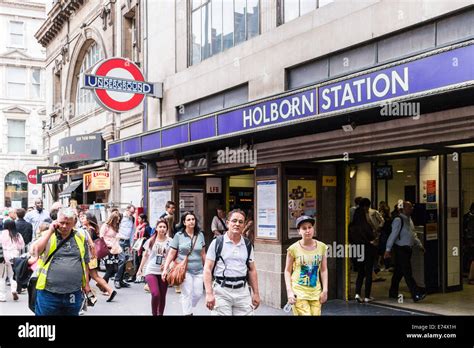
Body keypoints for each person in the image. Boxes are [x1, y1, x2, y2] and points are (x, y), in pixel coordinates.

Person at [31, 208, 89, 315]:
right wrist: (49, 231)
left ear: (74, 223)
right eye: (62, 222)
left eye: (68, 223)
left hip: (73, 293)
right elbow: (36, 252)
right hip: (48, 293)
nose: (64, 226)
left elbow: (85, 262)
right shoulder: (48, 235)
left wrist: (86, 285)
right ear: (56, 221)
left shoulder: (80, 237)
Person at [204, 209, 260, 315]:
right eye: (234, 221)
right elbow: (207, 269)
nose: (237, 224)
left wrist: (256, 293)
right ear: (228, 223)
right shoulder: (217, 243)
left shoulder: (248, 245)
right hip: (221, 291)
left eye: (240, 222)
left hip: (242, 292)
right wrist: (209, 293)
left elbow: (252, 270)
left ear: (244, 225)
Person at [162, 211, 206, 315]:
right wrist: (165, 269)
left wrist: (207, 268)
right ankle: (187, 312)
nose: (191, 221)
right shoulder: (179, 235)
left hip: (199, 270)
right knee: (187, 293)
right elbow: (172, 253)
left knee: (198, 293)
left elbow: (203, 253)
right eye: (189, 220)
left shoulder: (200, 235)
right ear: (184, 222)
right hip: (184, 270)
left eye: (193, 219)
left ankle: (187, 304)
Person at [284, 216, 328, 316]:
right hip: (299, 292)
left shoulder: (322, 247)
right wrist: (289, 291)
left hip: (315, 292)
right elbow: (287, 271)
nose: (307, 230)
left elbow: (324, 270)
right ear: (299, 231)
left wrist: (325, 290)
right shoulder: (293, 249)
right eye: (304, 228)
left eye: (310, 227)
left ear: (313, 229)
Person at [384, 201, 426, 302]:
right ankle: (416, 294)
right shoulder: (398, 220)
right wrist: (387, 250)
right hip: (401, 249)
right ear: (403, 209)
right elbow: (393, 235)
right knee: (407, 272)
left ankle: (393, 292)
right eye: (409, 207)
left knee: (398, 272)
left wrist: (419, 244)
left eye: (412, 207)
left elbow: (413, 234)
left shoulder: (409, 219)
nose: (412, 209)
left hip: (408, 250)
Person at [137, 219, 172, 315]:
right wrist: (140, 269)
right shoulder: (151, 240)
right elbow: (145, 255)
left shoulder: (170, 241)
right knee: (156, 294)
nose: (162, 229)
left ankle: (160, 313)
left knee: (162, 295)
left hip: (164, 271)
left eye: (164, 227)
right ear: (156, 228)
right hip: (151, 270)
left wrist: (167, 264)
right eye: (160, 227)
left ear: (167, 229)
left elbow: (172, 256)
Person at [81, 212, 116, 302]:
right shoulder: (92, 229)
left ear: (89, 220)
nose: (82, 219)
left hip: (90, 257)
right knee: (95, 276)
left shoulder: (89, 230)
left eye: (84, 218)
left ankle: (87, 297)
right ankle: (110, 290)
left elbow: (89, 245)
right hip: (93, 257)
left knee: (88, 277)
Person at [349, 207, 376, 303]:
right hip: (367, 250)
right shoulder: (366, 225)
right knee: (368, 273)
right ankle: (367, 296)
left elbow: (350, 239)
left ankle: (357, 293)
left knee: (360, 273)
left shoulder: (351, 226)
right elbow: (372, 237)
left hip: (357, 251)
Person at [0, 219, 25, 302]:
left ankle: (2, 297)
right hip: (15, 257)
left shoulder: (2, 234)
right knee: (13, 275)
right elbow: (22, 247)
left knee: (2, 277)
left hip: (3, 257)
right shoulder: (17, 235)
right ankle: (13, 289)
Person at [115, 205, 135, 289]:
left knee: (126, 260)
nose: (132, 214)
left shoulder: (132, 219)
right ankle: (117, 280)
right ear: (127, 210)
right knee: (122, 260)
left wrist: (131, 244)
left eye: (133, 212)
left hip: (127, 242)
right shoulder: (120, 216)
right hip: (120, 241)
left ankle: (121, 280)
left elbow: (132, 232)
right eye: (131, 212)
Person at [100, 212, 123, 286]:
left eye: (119, 219)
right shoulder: (105, 226)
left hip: (114, 249)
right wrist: (106, 245)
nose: (118, 221)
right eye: (116, 219)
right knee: (109, 270)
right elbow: (101, 237)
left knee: (115, 269)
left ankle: (101, 284)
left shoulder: (115, 226)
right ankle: (103, 287)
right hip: (107, 249)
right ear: (112, 219)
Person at [128, 213, 151, 283]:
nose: (138, 219)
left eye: (139, 218)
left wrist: (144, 238)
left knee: (142, 262)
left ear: (143, 219)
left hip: (142, 247)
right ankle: (135, 276)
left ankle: (142, 277)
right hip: (137, 245)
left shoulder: (147, 227)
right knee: (136, 261)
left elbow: (150, 237)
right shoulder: (139, 226)